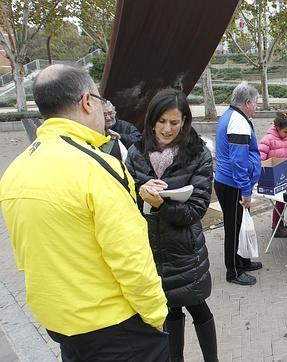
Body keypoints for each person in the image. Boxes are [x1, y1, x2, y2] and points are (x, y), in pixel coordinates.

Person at [0, 64, 169, 361]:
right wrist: (156, 315)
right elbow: (131, 258)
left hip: (62, 325)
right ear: (87, 101)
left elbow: (25, 255)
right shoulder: (96, 167)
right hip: (116, 328)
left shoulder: (16, 169)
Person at [125, 88, 217, 362]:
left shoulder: (197, 153)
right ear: (151, 120)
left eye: (174, 123)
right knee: (168, 312)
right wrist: (140, 189)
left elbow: (196, 209)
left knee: (198, 307)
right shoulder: (135, 153)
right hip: (150, 252)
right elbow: (123, 198)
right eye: (161, 121)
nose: (167, 129)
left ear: (185, 122)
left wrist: (161, 204)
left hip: (185, 251)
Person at [214, 82, 263, 286]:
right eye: (256, 103)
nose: (257, 107)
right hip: (232, 185)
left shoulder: (233, 116)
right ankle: (233, 271)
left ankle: (243, 261)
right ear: (248, 102)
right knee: (234, 228)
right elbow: (238, 160)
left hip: (231, 183)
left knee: (241, 224)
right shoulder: (238, 121)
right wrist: (245, 190)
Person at [259, 112, 287, 238]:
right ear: (278, 128)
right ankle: (276, 225)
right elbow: (261, 158)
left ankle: (279, 223)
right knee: (279, 202)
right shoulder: (267, 140)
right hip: (273, 177)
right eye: (285, 132)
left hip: (285, 175)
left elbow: (286, 154)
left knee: (283, 201)